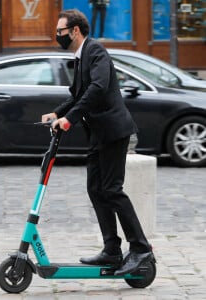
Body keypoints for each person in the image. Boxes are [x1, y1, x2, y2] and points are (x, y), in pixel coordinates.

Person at [42, 9, 154, 276]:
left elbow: (98, 88)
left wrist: (70, 119)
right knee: (96, 188)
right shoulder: (80, 58)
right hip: (98, 134)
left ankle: (140, 248)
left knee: (112, 190)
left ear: (75, 31)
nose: (57, 36)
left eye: (60, 32)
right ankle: (112, 249)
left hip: (113, 132)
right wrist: (58, 113)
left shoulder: (96, 52)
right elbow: (77, 94)